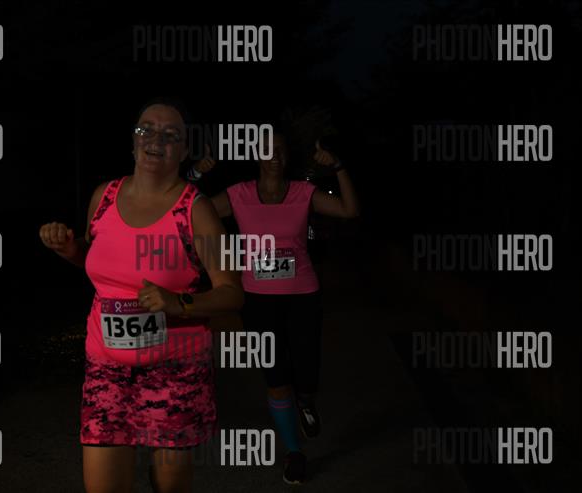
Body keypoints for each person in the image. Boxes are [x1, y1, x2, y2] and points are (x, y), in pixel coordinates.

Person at [39, 97, 244, 493]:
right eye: (145, 130)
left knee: (169, 487)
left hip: (176, 372)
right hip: (106, 369)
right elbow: (97, 260)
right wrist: (69, 249)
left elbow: (232, 293)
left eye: (170, 135)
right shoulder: (104, 196)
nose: (155, 140)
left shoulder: (196, 210)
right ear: (133, 142)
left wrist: (178, 302)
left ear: (184, 151)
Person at [202, 131, 359, 484]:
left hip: (303, 295)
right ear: (255, 154)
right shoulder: (238, 195)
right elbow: (191, 212)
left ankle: (306, 401)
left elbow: (350, 210)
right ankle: (294, 452)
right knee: (275, 376)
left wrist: (338, 167)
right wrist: (197, 174)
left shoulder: (304, 193)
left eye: (279, 149)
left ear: (287, 155)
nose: (273, 154)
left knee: (306, 372)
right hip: (257, 299)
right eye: (266, 148)